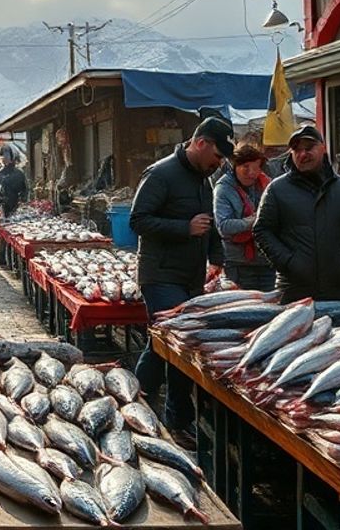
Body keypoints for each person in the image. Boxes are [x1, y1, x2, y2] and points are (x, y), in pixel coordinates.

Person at [129, 117, 232, 442]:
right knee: (171, 340)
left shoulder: (205, 180)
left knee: (169, 344)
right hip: (159, 274)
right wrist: (183, 228)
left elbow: (209, 223)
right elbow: (138, 220)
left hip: (190, 278)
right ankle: (143, 404)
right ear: (200, 143)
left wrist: (217, 258)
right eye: (218, 154)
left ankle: (158, 410)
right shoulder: (161, 174)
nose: (220, 162)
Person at [254, 125, 340, 302]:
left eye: (309, 148)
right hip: (292, 290)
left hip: (335, 290)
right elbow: (262, 231)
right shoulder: (276, 190)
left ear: (323, 148)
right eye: (296, 149)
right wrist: (288, 262)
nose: (302, 154)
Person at [214, 143, 275, 290]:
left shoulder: (268, 185)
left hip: (267, 261)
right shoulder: (223, 189)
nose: (251, 173)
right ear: (235, 166)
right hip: (238, 264)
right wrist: (253, 220)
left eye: (256, 167)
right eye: (245, 167)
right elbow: (224, 226)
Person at [0, 147, 28, 217]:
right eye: (3, 156)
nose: (4, 158)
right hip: (4, 204)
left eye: (7, 156)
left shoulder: (18, 173)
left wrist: (23, 199)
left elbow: (24, 189)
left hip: (14, 203)